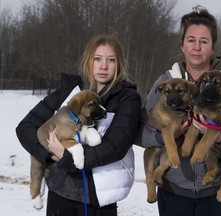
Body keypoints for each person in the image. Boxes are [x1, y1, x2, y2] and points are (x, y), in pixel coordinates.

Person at [138, 5, 221, 216]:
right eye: (191, 40)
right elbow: (139, 134)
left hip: (216, 193)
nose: (197, 47)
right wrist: (167, 136)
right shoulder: (165, 83)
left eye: (204, 41)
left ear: (213, 47)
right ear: (182, 45)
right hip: (174, 192)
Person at [16, 34, 142, 216]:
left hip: (98, 198)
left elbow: (115, 147)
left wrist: (66, 155)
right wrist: (48, 155)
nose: (103, 66)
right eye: (97, 59)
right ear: (88, 61)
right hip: (60, 192)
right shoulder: (71, 91)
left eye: (111, 60)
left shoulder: (128, 99)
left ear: (119, 64)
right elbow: (25, 128)